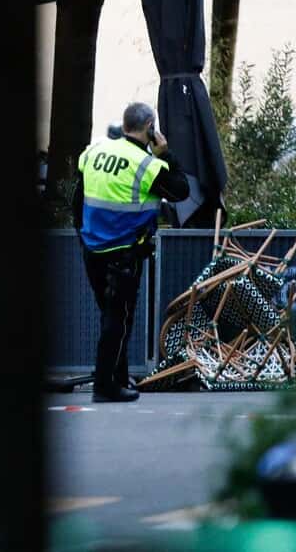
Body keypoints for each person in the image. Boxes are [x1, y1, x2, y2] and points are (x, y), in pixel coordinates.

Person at [75, 102, 189, 403]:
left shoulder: (95, 151)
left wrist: (82, 237)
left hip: (92, 249)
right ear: (150, 126)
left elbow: (78, 199)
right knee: (118, 319)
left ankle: (117, 377)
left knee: (111, 316)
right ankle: (105, 385)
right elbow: (181, 191)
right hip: (123, 253)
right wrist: (165, 154)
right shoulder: (146, 165)